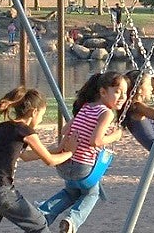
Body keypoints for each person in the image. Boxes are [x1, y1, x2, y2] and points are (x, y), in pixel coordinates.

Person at [0, 88, 75, 233]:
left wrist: (57, 149)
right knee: (39, 224)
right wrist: (71, 152)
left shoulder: (3, 127)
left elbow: (25, 156)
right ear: (34, 112)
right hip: (0, 190)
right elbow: (50, 161)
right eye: (42, 115)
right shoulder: (26, 131)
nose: (41, 119)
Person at [38, 72, 128, 233]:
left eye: (125, 93)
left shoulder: (86, 107)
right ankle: (72, 220)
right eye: (118, 91)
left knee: (71, 192)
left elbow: (66, 129)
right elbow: (96, 141)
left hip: (65, 164)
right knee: (92, 193)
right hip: (83, 167)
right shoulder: (106, 113)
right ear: (102, 92)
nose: (122, 96)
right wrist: (115, 135)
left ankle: (43, 214)